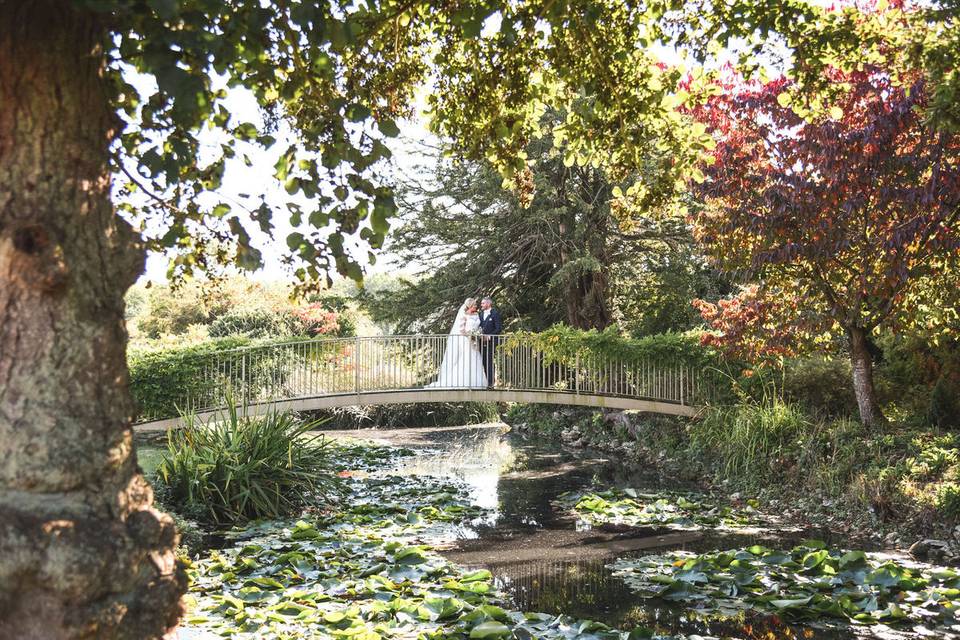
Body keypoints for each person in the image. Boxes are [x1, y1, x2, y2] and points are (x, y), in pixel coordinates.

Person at [427, 297, 488, 388]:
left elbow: (479, 327)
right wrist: (470, 336)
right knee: (467, 358)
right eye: (474, 304)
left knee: (476, 358)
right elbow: (461, 330)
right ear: (470, 305)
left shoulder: (476, 314)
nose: (476, 306)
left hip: (475, 339)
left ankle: (477, 382)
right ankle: (464, 381)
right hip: (466, 340)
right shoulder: (464, 315)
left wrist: (477, 335)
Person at [477, 296, 503, 389]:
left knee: (489, 361)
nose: (481, 305)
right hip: (480, 342)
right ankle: (484, 382)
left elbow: (498, 328)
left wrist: (489, 336)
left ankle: (491, 383)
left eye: (483, 303)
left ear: (488, 304)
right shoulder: (480, 314)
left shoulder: (495, 313)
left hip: (491, 342)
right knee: (482, 361)